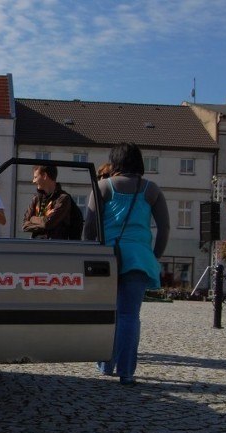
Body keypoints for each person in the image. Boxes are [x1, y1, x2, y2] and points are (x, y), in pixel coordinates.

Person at [83, 142, 170, 386]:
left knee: (108, 313)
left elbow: (89, 226)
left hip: (107, 258)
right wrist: (154, 255)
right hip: (139, 258)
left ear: (115, 162)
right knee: (130, 315)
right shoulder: (151, 190)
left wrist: (87, 251)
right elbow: (164, 228)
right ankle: (127, 371)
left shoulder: (103, 186)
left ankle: (105, 364)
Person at [22, 165, 73, 239]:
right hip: (35, 246)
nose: (33, 181)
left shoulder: (63, 199)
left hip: (54, 247)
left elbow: (47, 223)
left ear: (45, 176)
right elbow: (24, 225)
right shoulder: (36, 199)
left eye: (35, 177)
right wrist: (44, 222)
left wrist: (32, 218)